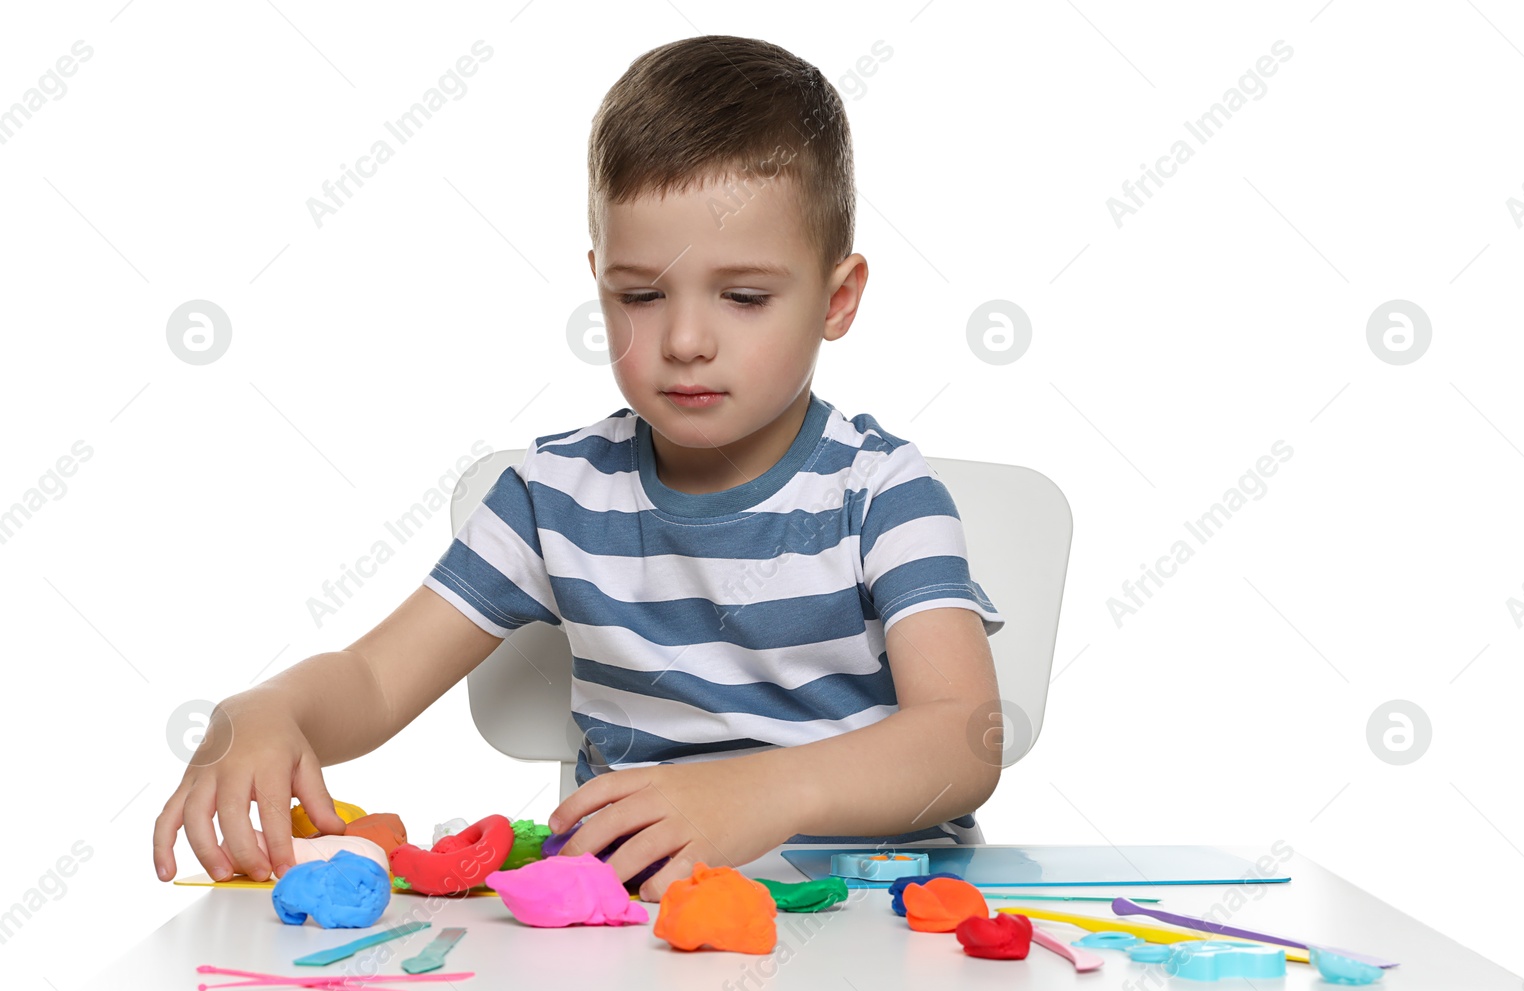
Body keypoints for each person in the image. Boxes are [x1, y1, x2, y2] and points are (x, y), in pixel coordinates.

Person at [153, 34, 1006, 903]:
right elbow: (373, 680)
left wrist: (766, 789)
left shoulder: (882, 493)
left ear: (837, 299)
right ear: (599, 282)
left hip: (877, 914)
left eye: (744, 296)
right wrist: (265, 711)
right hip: (639, 934)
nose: (684, 340)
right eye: (641, 295)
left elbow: (962, 738)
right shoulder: (551, 497)